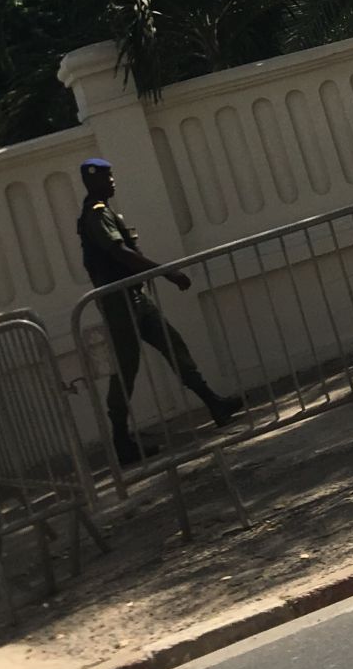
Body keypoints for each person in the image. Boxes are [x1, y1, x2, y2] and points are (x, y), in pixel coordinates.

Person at [75, 158, 243, 464]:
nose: (113, 181)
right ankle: (122, 441)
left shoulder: (105, 212)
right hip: (119, 303)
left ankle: (214, 404)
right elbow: (120, 253)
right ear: (92, 180)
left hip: (136, 298)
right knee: (125, 370)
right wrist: (166, 271)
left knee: (173, 345)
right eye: (107, 176)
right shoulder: (96, 215)